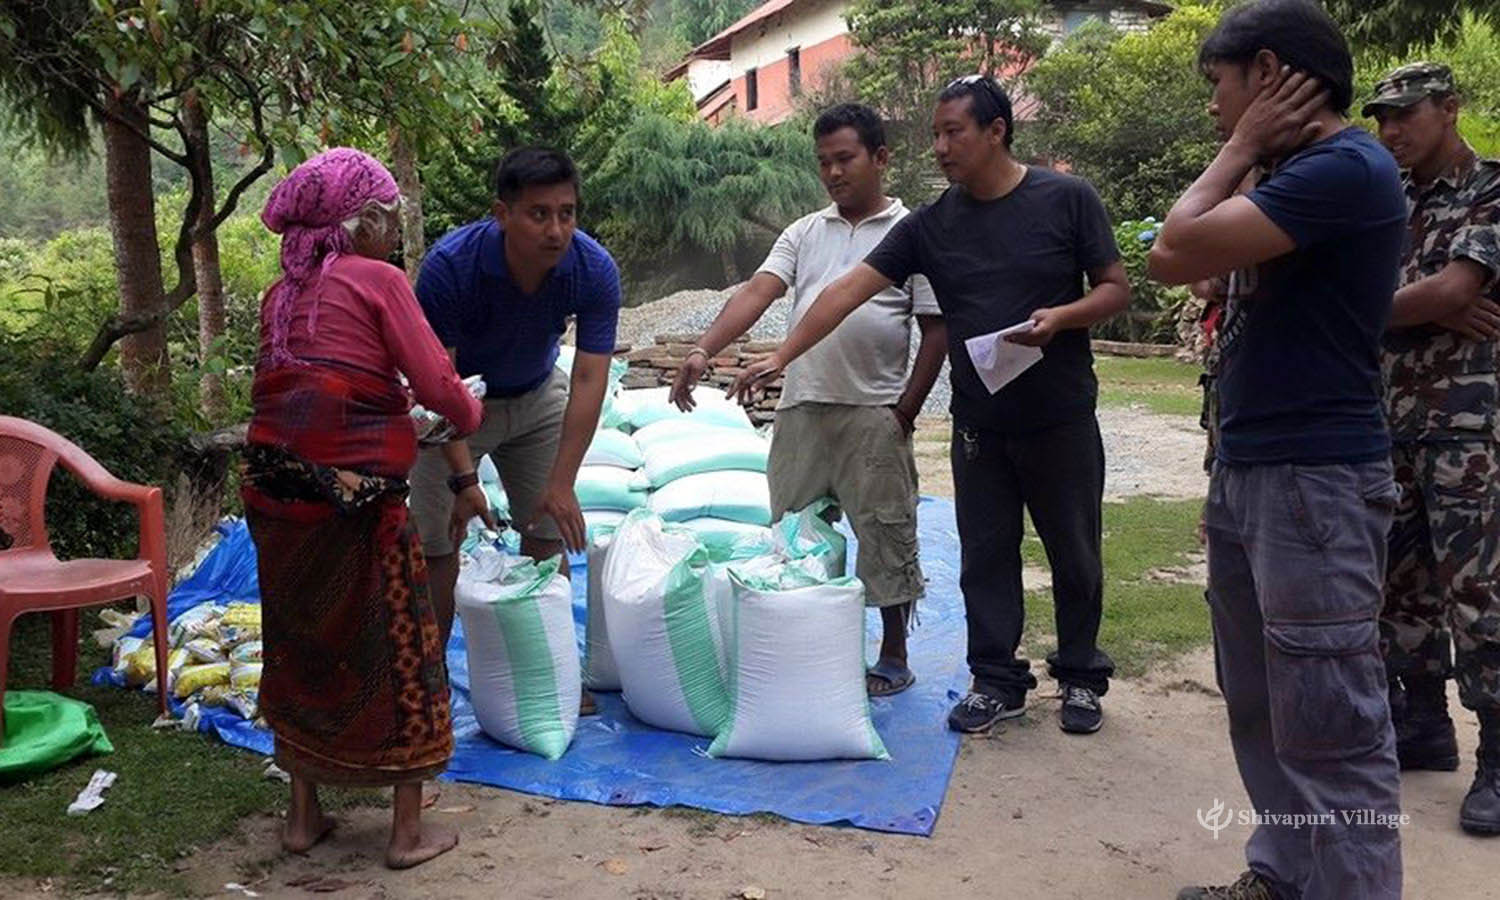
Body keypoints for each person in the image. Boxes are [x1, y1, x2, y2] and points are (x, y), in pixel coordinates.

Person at [731, 76, 1129, 736]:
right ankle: (995, 681)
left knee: (1075, 553)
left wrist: (1063, 317)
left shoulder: (1067, 199)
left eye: (953, 133)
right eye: (935, 134)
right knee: (986, 555)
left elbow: (1115, 289)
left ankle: (1081, 677)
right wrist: (784, 353)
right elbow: (845, 292)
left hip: (1059, 415)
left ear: (996, 132)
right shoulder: (932, 225)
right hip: (980, 422)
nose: (940, 147)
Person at [1146, 2, 1407, 897]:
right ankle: (1286, 874)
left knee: (1330, 725)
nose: (1213, 106)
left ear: (1266, 74)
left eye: (1219, 85)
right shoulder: (1295, 177)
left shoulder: (1346, 168)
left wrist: (1240, 146)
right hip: (1259, 469)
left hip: (1314, 478)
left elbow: (1172, 251)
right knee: (1261, 702)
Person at [242, 148, 482, 869]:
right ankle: (405, 833)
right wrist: (468, 412)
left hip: (276, 499)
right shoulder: (378, 280)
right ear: (364, 222)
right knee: (401, 649)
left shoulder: (279, 295)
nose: (396, 233)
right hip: (360, 506)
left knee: (302, 645)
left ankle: (302, 817)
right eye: (388, 217)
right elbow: (437, 384)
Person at [670, 103, 947, 696]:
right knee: (794, 536)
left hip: (873, 411)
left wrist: (904, 412)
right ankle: (806, 645)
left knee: (884, 533)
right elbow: (758, 292)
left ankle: (893, 653)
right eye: (823, 162)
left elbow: (936, 331)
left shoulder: (913, 233)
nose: (833, 173)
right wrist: (703, 350)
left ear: (880, 158)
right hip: (802, 407)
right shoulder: (804, 231)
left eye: (845, 159)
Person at [409, 147, 622, 715]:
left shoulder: (592, 269)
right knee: (435, 542)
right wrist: (464, 480)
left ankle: (552, 675)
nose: (556, 230)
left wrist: (562, 482)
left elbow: (589, 377)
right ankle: (426, 681)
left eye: (567, 213)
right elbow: (439, 382)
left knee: (548, 531)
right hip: (455, 403)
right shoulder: (451, 268)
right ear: (502, 214)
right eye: (538, 214)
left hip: (536, 395)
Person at [1366, 61, 1500, 835]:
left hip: (1467, 425)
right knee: (1401, 583)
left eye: (1406, 115)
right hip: (1388, 419)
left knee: (1478, 588)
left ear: (1449, 108)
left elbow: (1455, 289)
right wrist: (1423, 305)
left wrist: (1413, 303)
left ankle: (1498, 758)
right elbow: (1427, 294)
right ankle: (1424, 726)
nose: (1391, 131)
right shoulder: (1389, 196)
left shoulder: (1490, 189)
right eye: (1382, 118)